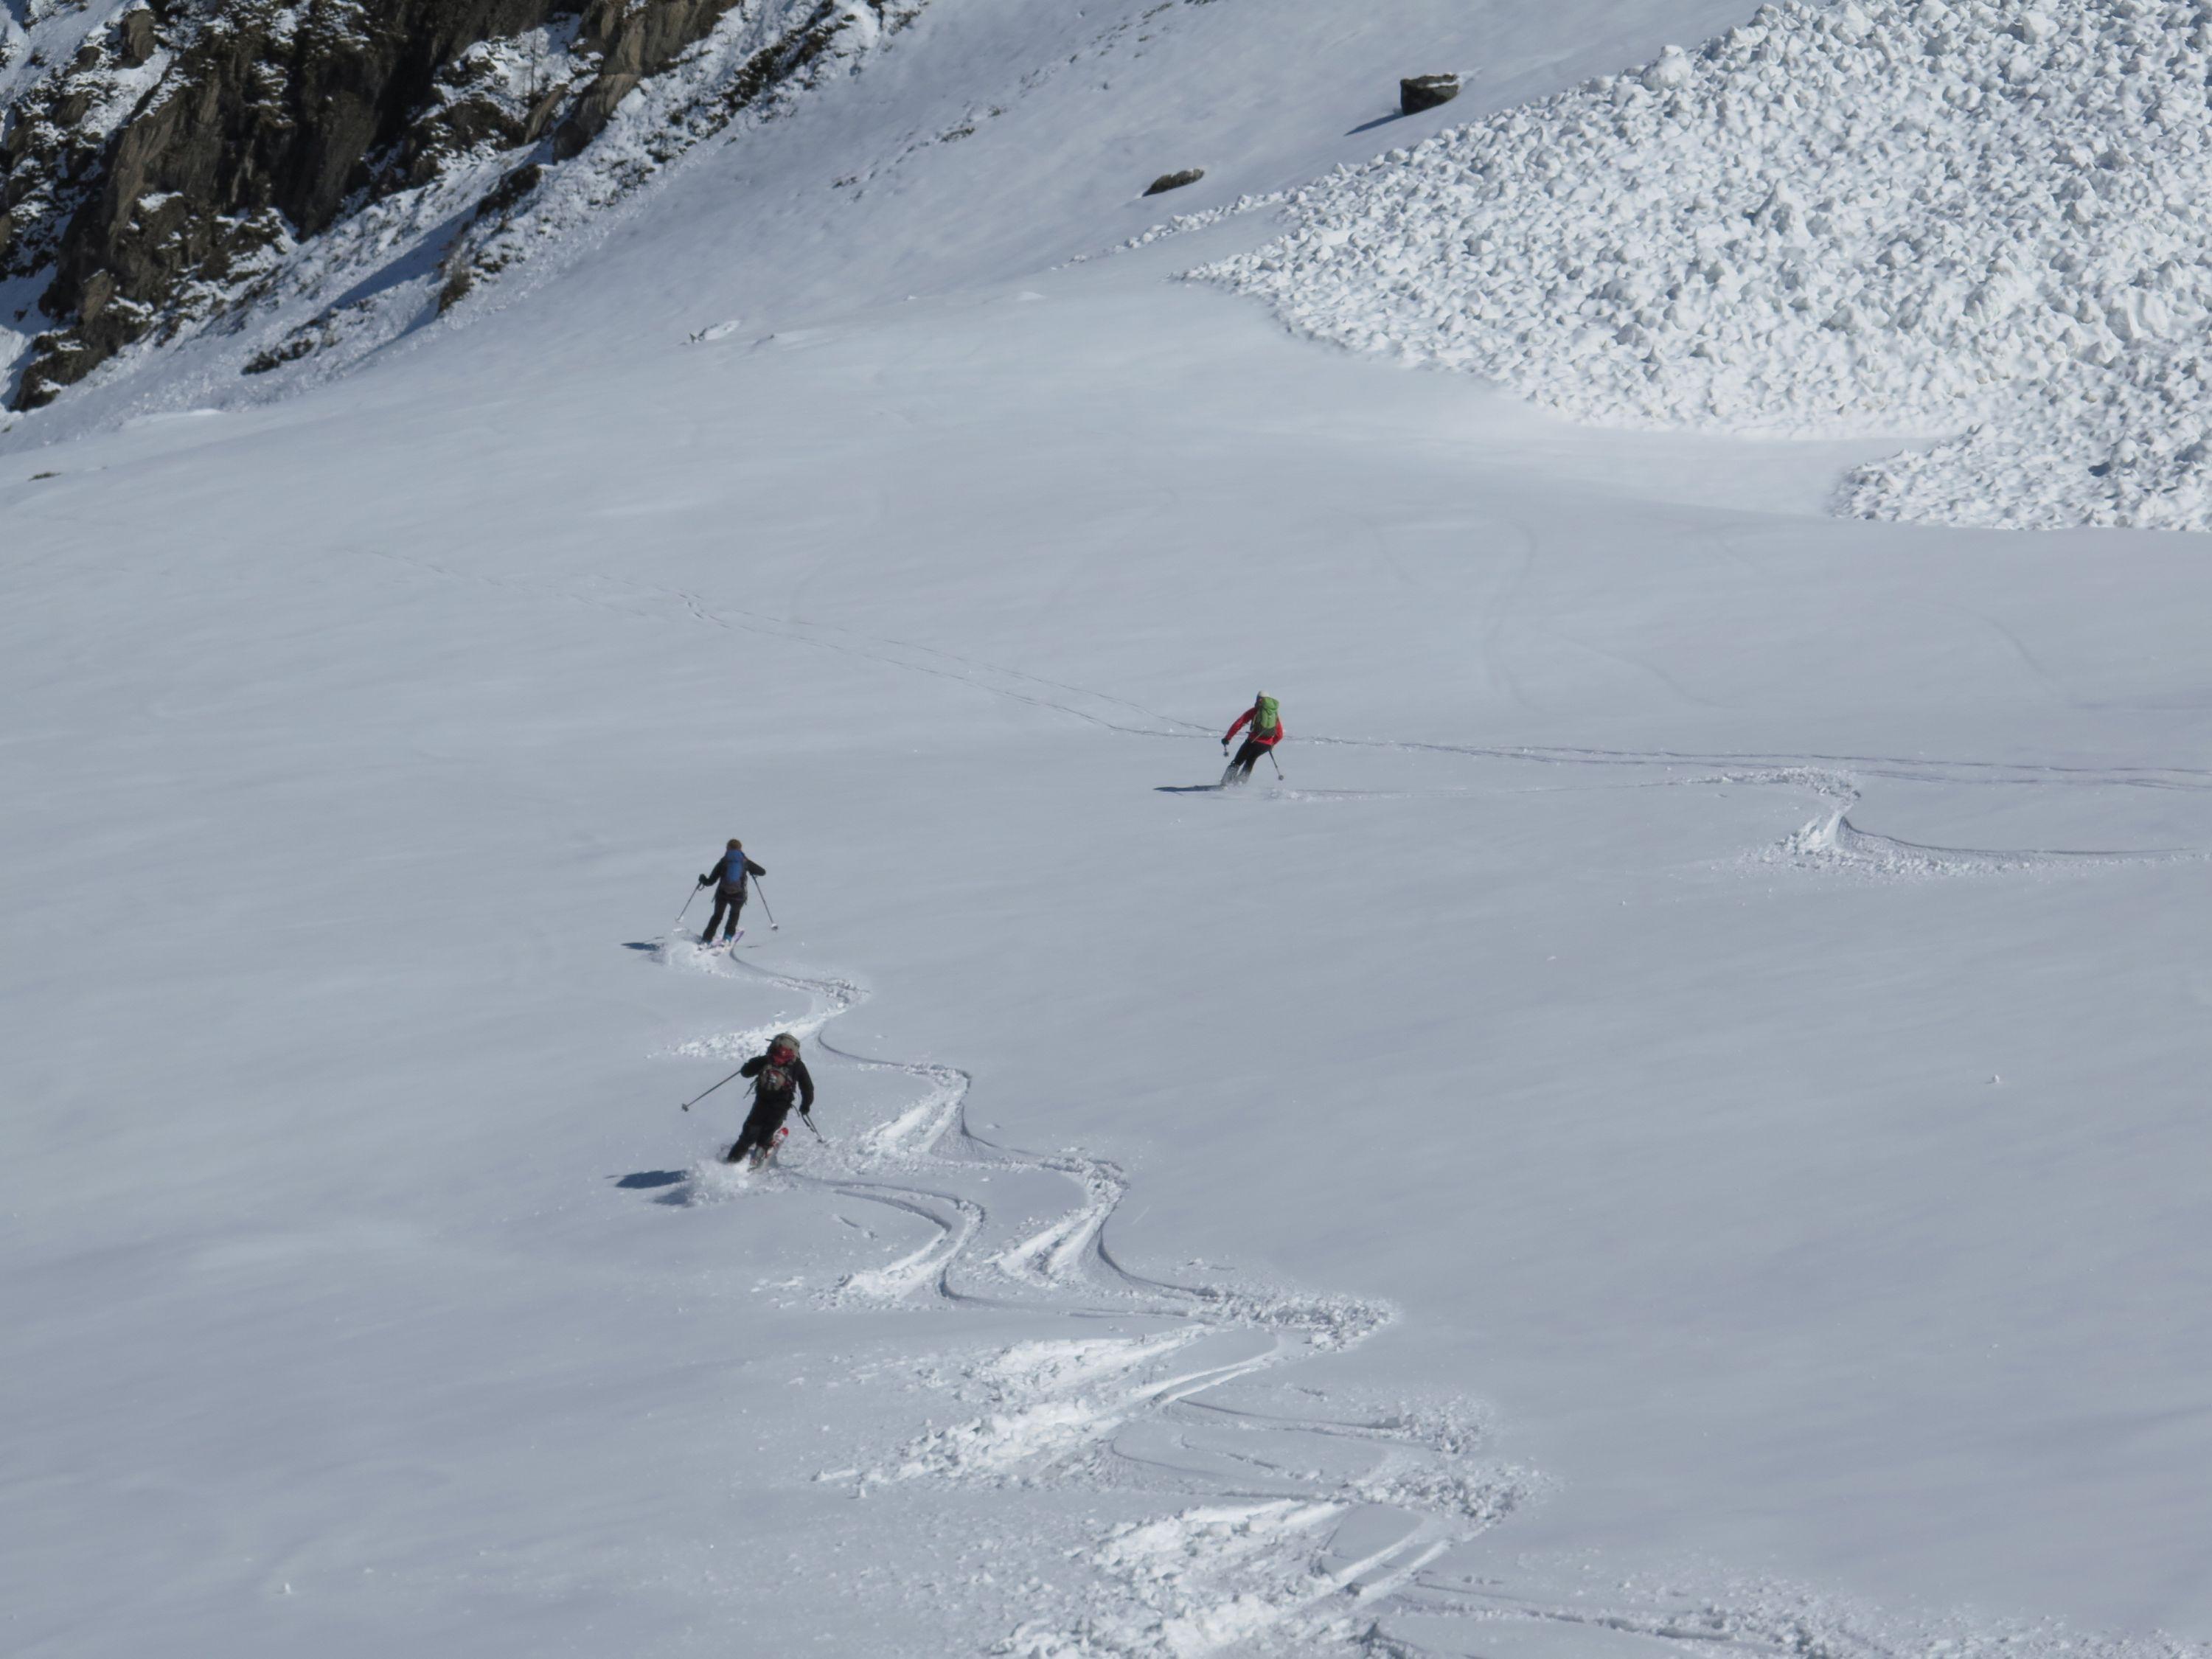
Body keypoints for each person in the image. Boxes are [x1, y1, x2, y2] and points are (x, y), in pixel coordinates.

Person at [728, 1032, 815, 1166]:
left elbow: (745, 1073)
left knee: (752, 1127)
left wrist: (752, 1063)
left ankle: (734, 1158)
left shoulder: (767, 1059)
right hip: (783, 1101)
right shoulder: (797, 1065)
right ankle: (761, 1151)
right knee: (771, 1126)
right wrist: (805, 1105)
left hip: (762, 1099)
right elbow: (807, 1087)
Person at [697, 838, 766, 945]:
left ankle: (707, 939)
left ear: (728, 848)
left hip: (722, 894)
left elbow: (710, 882)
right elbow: (763, 872)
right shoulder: (745, 862)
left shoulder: (723, 862)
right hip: (738, 896)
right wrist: (751, 871)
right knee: (734, 915)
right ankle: (727, 938)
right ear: (740, 848)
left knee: (717, 916)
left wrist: (702, 878)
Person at [1221, 692, 1284, 784]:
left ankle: (1226, 782)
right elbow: (1280, 735)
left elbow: (1239, 723)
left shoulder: (1255, 711)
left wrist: (1228, 738)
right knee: (1250, 761)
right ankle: (1241, 783)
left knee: (1237, 761)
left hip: (1253, 742)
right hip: (1265, 746)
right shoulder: (1274, 714)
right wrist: (1271, 744)